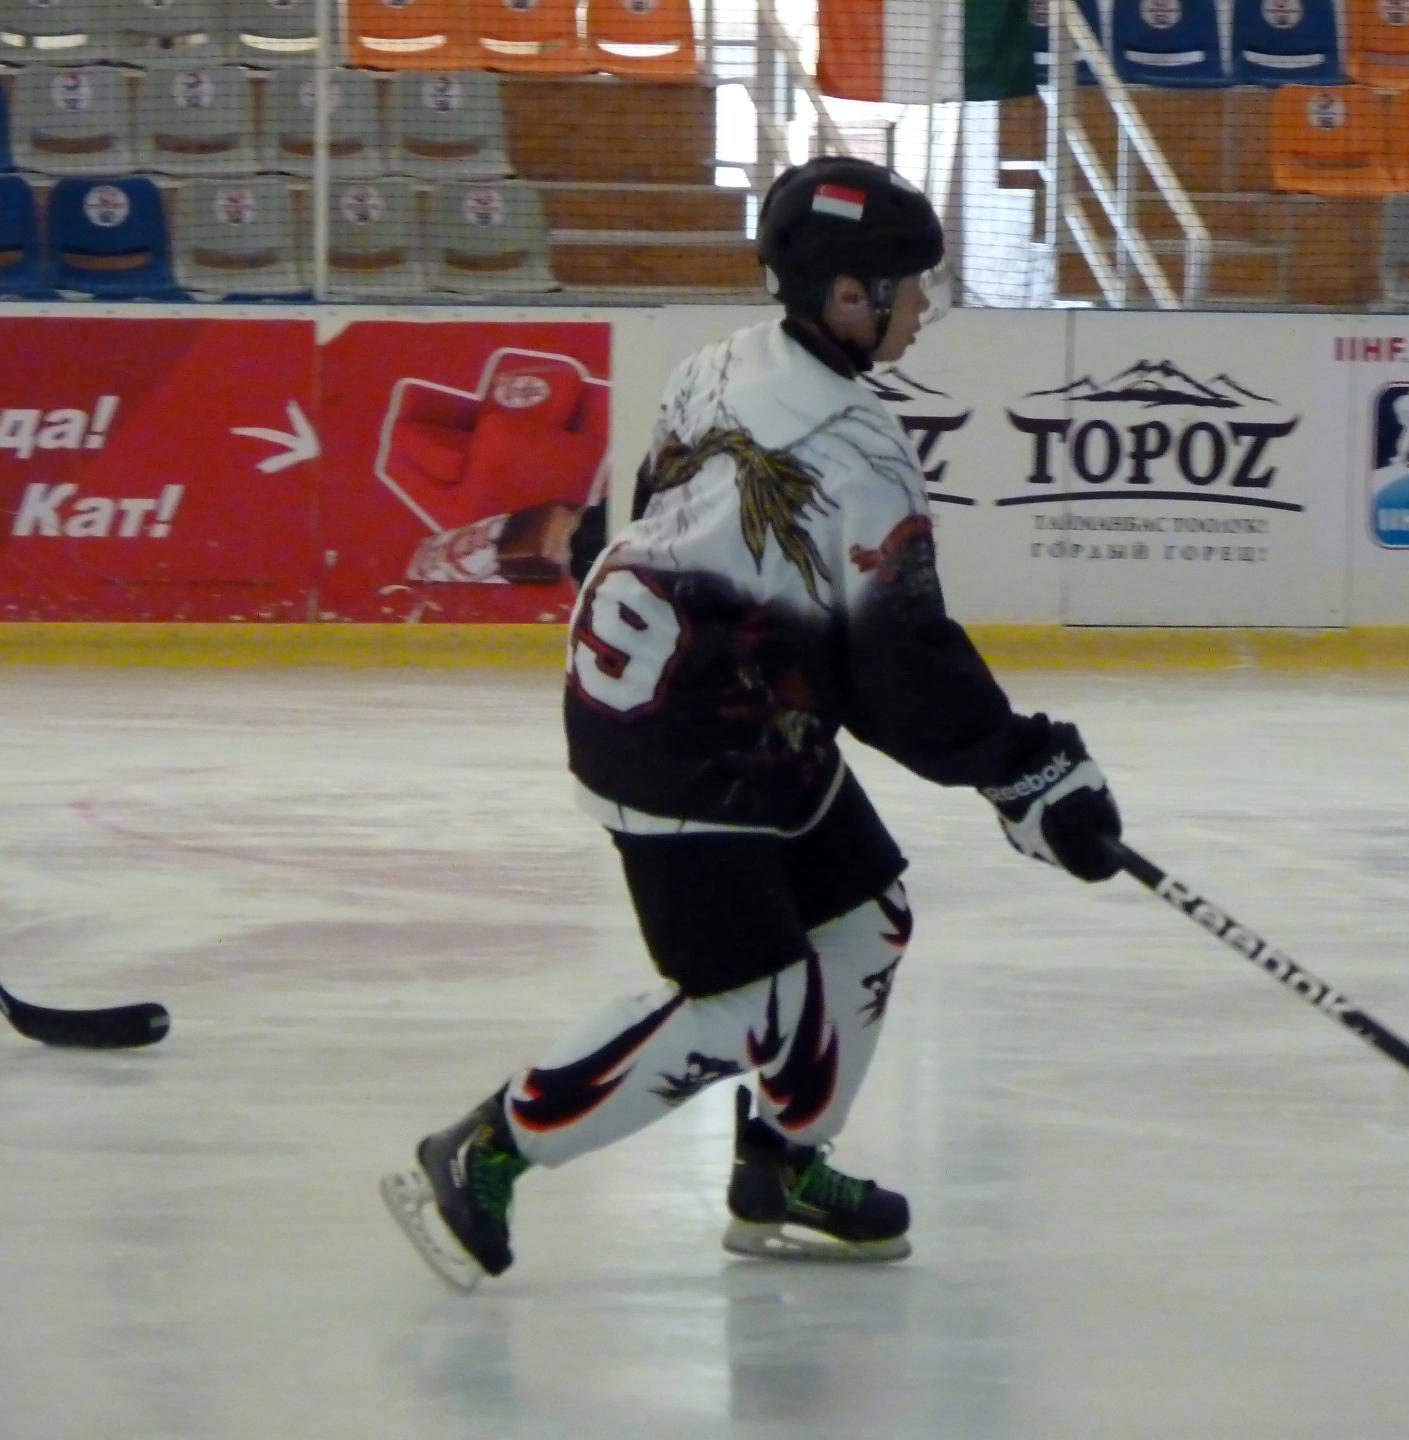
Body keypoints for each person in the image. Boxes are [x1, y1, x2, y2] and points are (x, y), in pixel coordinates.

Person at [380, 156, 1123, 1290]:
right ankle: (488, 1147)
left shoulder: (717, 362)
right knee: (749, 1007)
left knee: (865, 921)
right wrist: (1029, 773)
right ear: (846, 298)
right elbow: (896, 662)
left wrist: (1009, 769)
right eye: (911, 285)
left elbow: (662, 515)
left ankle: (781, 1169)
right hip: (679, 740)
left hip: (747, 711)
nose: (925, 305)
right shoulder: (857, 452)